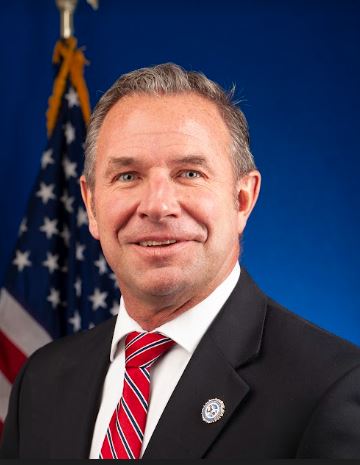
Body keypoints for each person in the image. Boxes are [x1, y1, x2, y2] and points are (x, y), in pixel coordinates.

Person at [1, 63, 360, 459]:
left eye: (189, 173)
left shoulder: (333, 386)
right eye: (127, 176)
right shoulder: (41, 380)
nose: (157, 206)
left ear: (242, 200)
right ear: (91, 204)